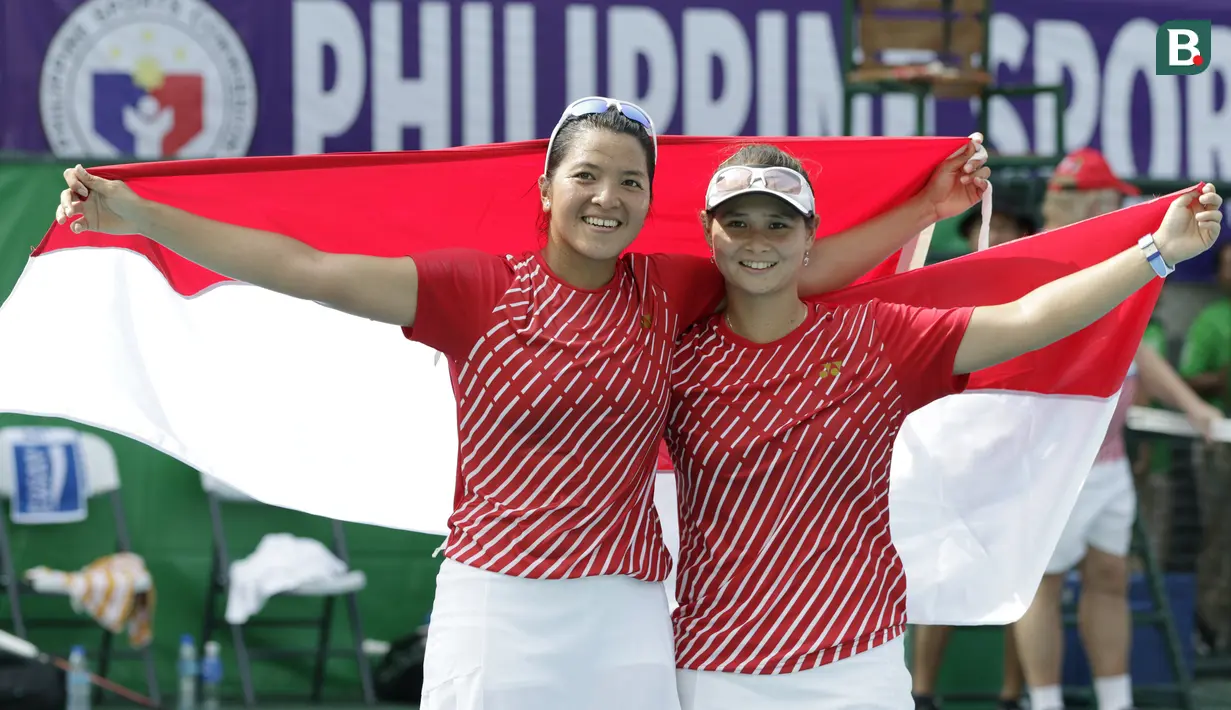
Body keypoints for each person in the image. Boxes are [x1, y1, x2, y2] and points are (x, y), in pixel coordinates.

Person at [53, 97, 991, 710]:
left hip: (627, 611)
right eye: (586, 175)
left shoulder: (665, 287)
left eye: (630, 181)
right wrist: (142, 217)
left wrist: (929, 206)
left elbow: (796, 264)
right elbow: (306, 269)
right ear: (545, 190)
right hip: (499, 609)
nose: (607, 196)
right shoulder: (474, 289)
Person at [662, 143, 1222, 710]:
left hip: (856, 666)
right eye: (738, 223)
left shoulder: (873, 337)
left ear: (811, 236)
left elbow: (1027, 319)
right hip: (712, 666)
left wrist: (1158, 252)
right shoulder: (668, 351)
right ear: (709, 232)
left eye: (779, 224)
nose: (757, 241)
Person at [1010, 147, 1222, 710]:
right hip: (1049, 463)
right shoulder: (1032, 257)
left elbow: (1136, 350)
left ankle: (1115, 700)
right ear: (1086, 200)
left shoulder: (1123, 258)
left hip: (1107, 465)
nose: (1121, 206)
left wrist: (1192, 408)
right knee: (1043, 588)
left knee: (1109, 578)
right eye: (1109, 196)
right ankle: (1046, 703)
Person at [910, 197, 1038, 710]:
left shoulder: (1045, 295)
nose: (994, 235)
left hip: (1020, 465)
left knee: (1020, 580)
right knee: (943, 578)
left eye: (1007, 226)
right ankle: (922, 694)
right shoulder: (945, 295)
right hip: (955, 462)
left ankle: (1012, 697)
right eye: (988, 227)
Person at [1178, 241, 1231, 653]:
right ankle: (1210, 630)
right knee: (1220, 539)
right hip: (1221, 449)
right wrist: (1222, 379)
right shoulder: (1211, 320)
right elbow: (1185, 382)